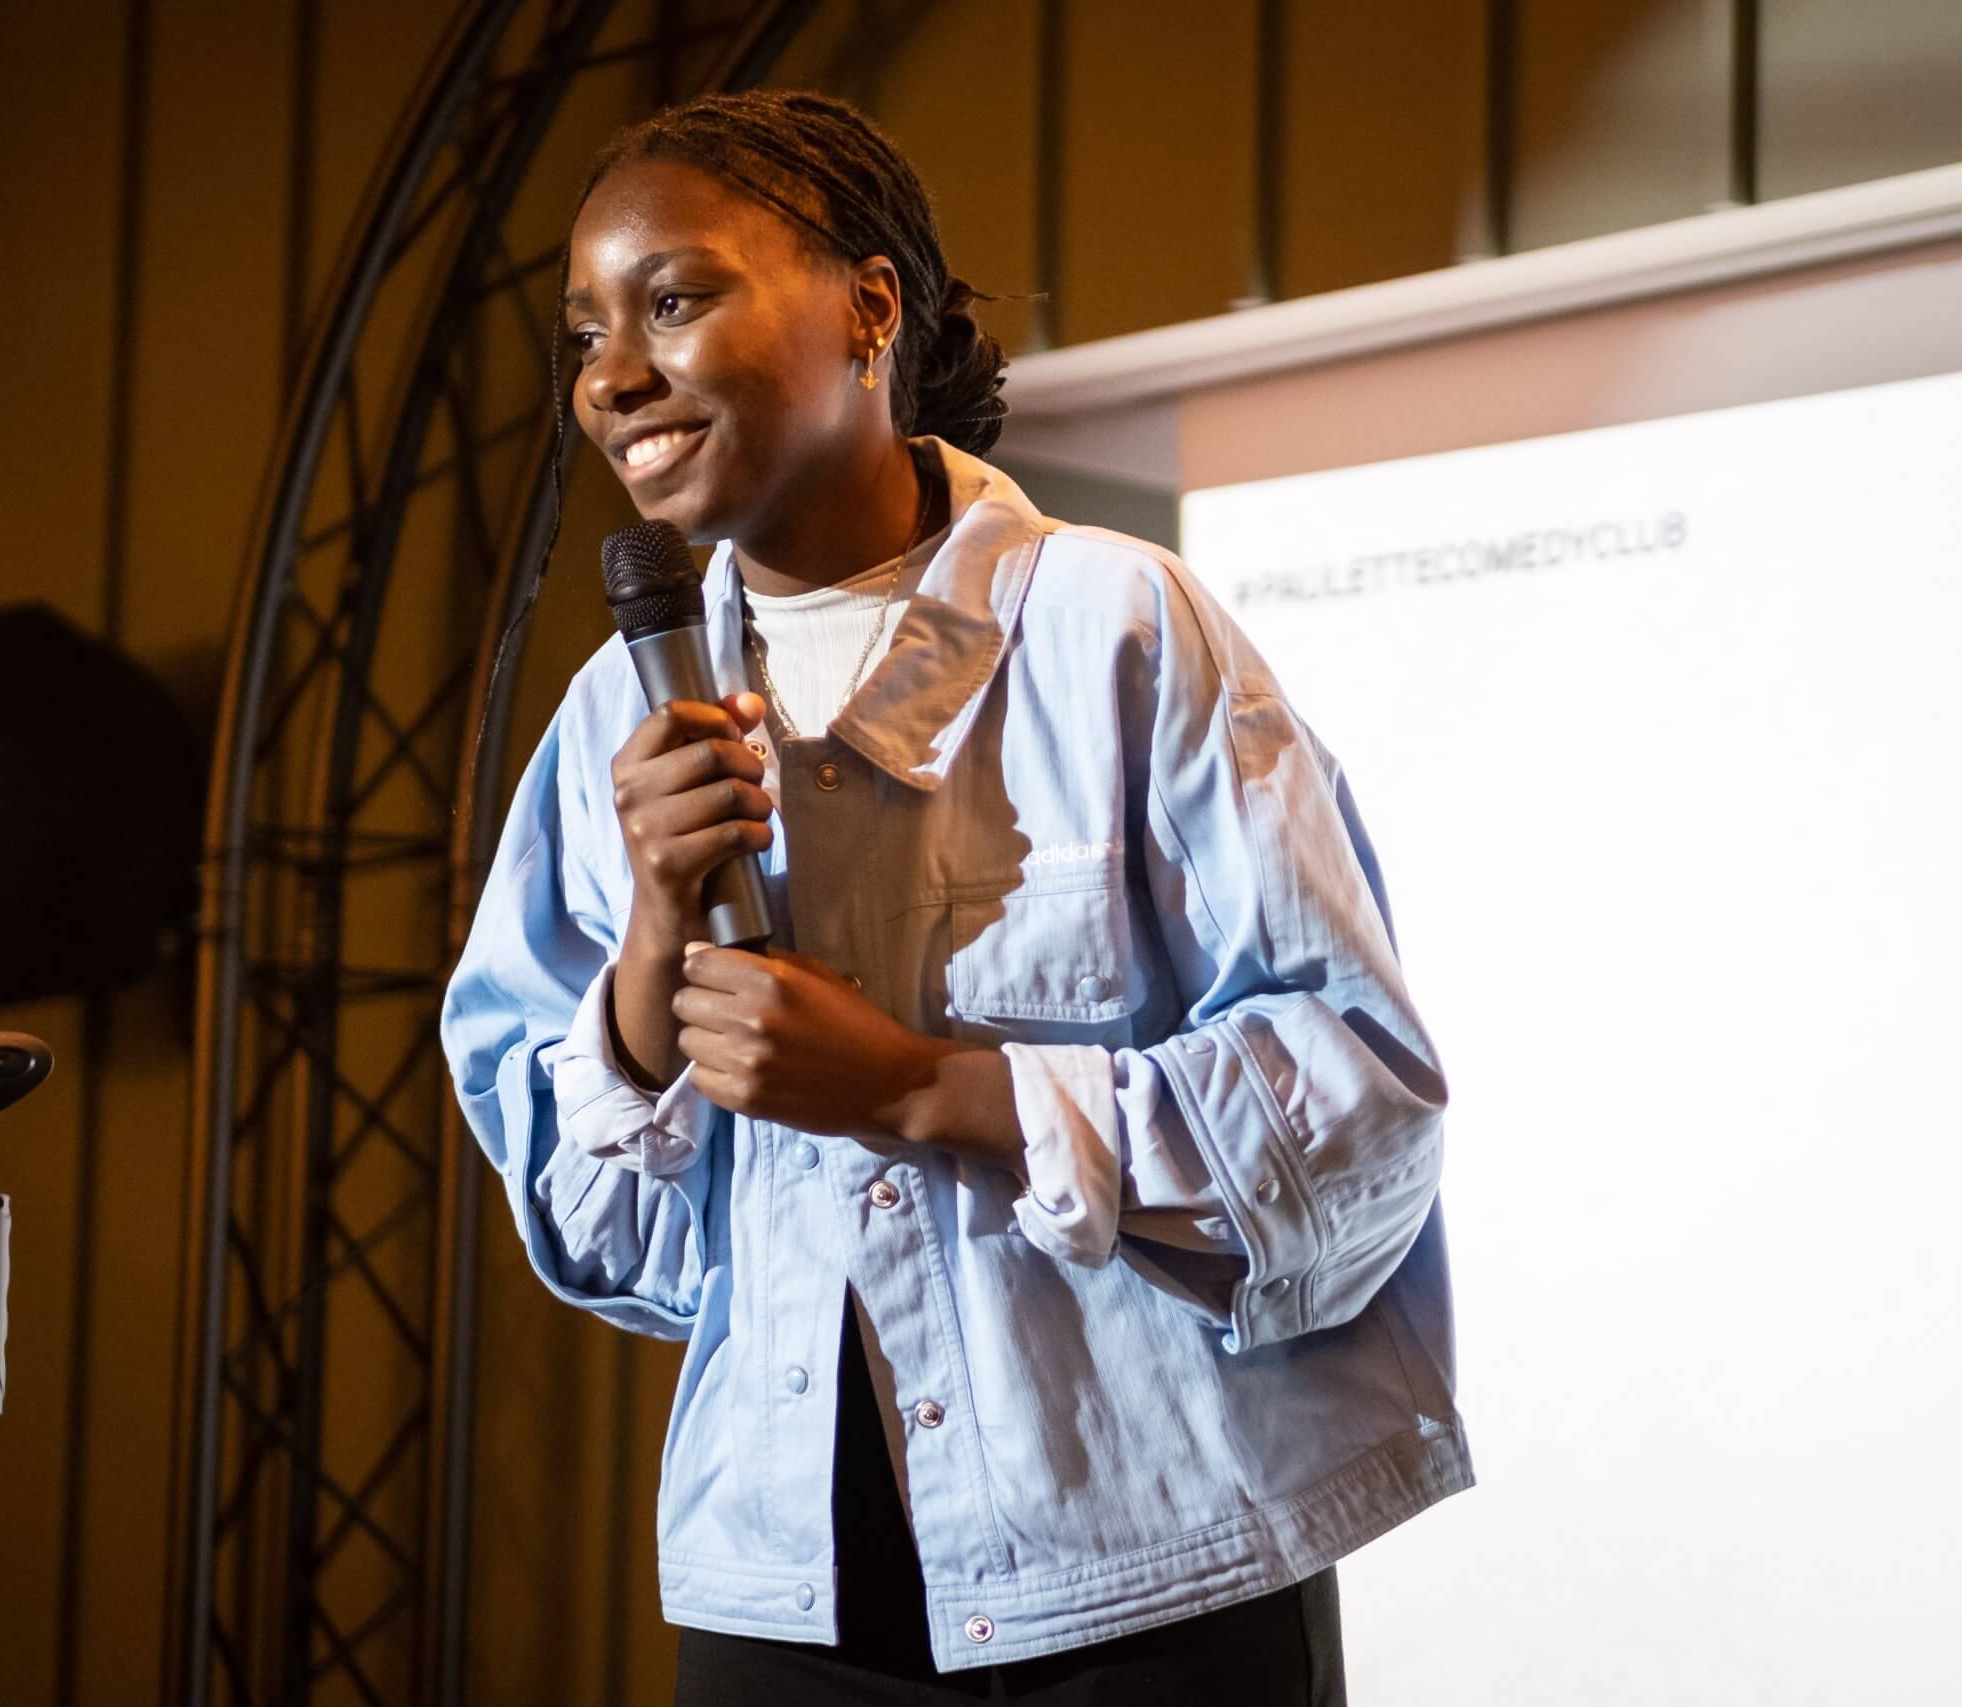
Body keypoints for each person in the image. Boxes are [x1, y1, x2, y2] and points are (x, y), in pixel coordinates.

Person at [438, 90, 1470, 1706]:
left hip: (1152, 1575)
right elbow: (603, 1242)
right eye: (586, 331)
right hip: (788, 1598)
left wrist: (929, 1090)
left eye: (677, 299)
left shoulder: (1117, 629)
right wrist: (650, 940)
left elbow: (1358, 1102)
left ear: (868, 308)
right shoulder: (607, 725)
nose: (611, 376)